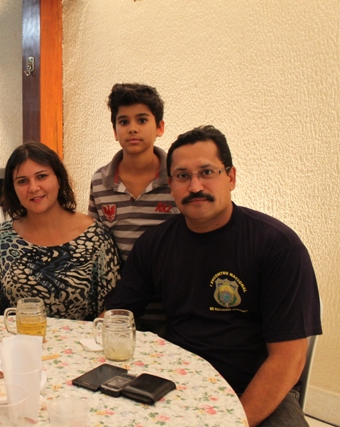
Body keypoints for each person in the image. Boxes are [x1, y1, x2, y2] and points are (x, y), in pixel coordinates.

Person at [104, 125, 322, 426]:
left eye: (207, 172)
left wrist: (234, 422)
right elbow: (116, 316)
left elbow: (288, 359)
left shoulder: (277, 245)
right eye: (183, 176)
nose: (195, 186)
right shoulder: (155, 244)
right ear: (171, 184)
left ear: (230, 177)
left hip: (256, 386)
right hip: (177, 379)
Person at [0, 142, 121, 321]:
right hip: (15, 337)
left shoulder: (95, 238)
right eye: (22, 181)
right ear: (13, 189)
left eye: (41, 176)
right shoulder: (1, 238)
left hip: (78, 339)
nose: (33, 188)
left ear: (59, 179)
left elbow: (113, 310)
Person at [89, 83, 179, 334]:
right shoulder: (100, 181)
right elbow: (96, 241)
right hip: (119, 304)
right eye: (123, 122)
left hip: (170, 306)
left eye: (142, 120)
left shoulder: (178, 178)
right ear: (115, 131)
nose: (133, 128)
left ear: (160, 127)